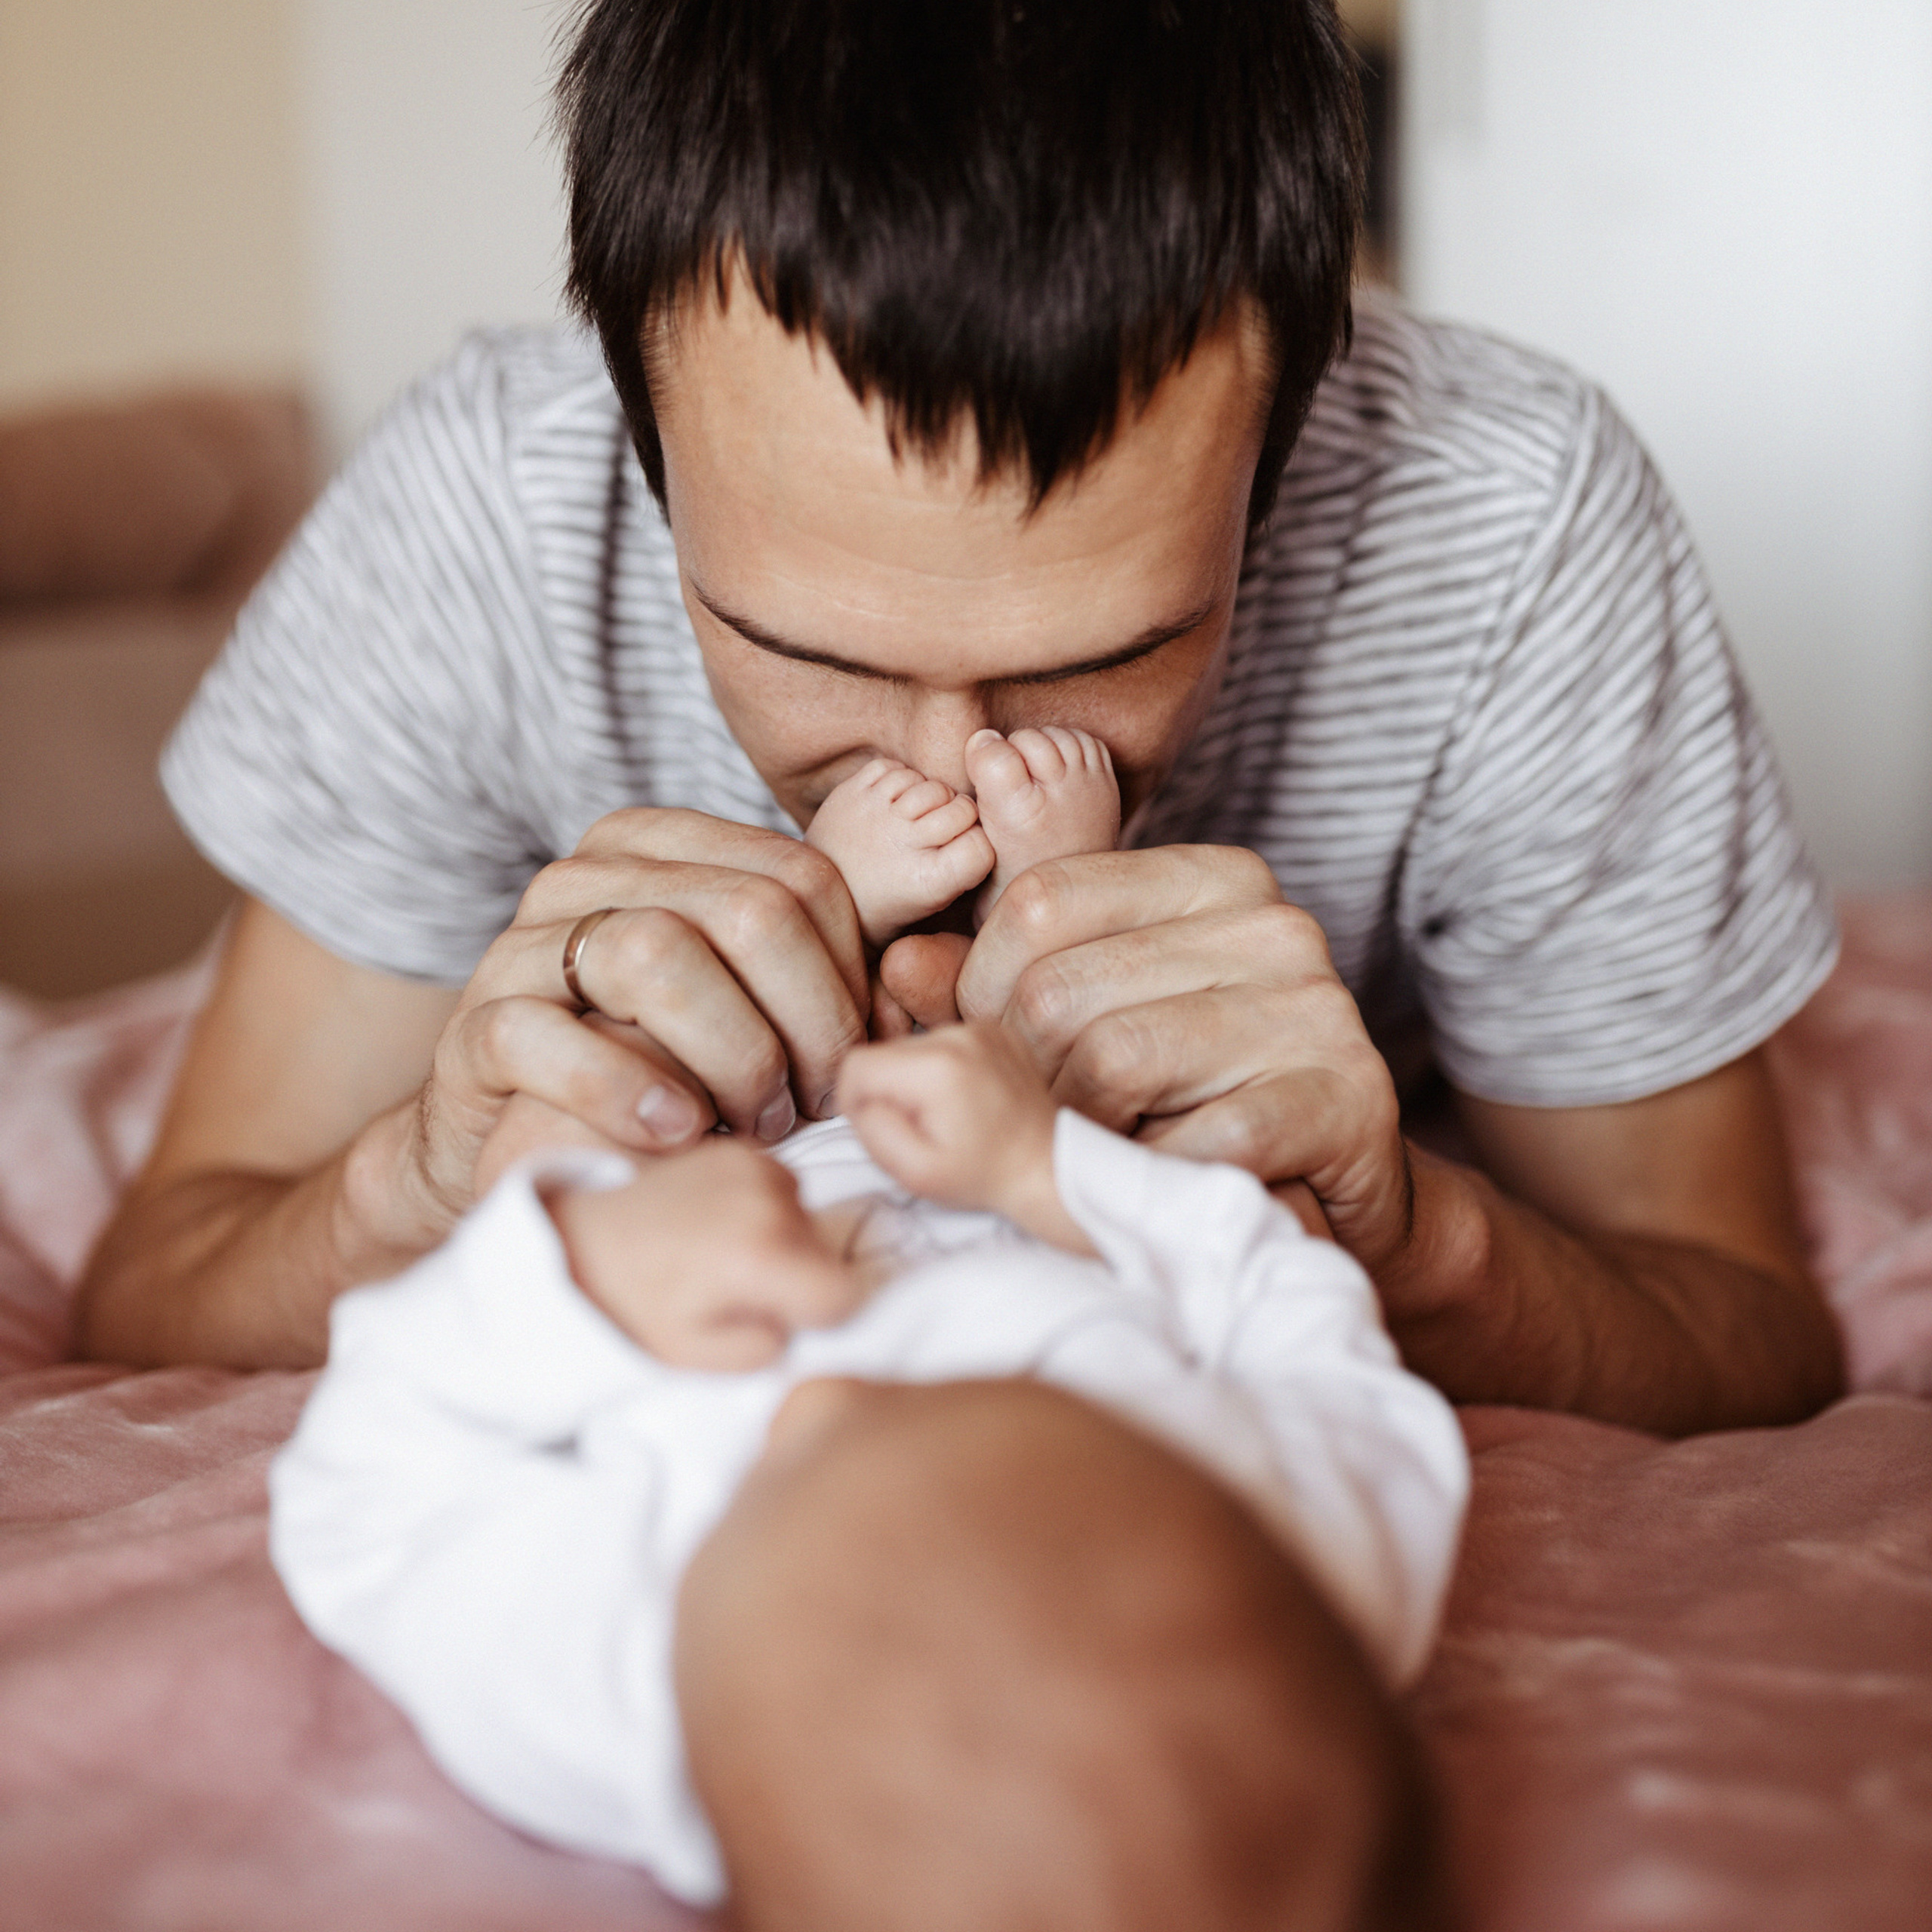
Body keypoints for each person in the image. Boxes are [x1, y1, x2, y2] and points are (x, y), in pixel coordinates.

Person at [79, 0, 1842, 1436]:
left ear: (1292, 443)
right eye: (810, 656)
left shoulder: (1509, 520)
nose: (954, 782)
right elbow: (160, 1289)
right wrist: (430, 1173)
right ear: (631, 446)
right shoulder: (476, 507)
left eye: (1105, 652)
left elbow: (1742, 1332)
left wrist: (1416, 1241)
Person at [269, 1014, 1467, 1924]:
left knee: (566, 1104)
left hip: (692, 1172)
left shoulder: (620, 1704)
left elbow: (362, 1499)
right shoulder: (1328, 1556)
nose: (831, 1389)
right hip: (1022, 1129)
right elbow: (1292, 1305)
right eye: (988, 1405)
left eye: (774, 1472)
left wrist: (577, 1270)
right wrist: (1054, 1175)